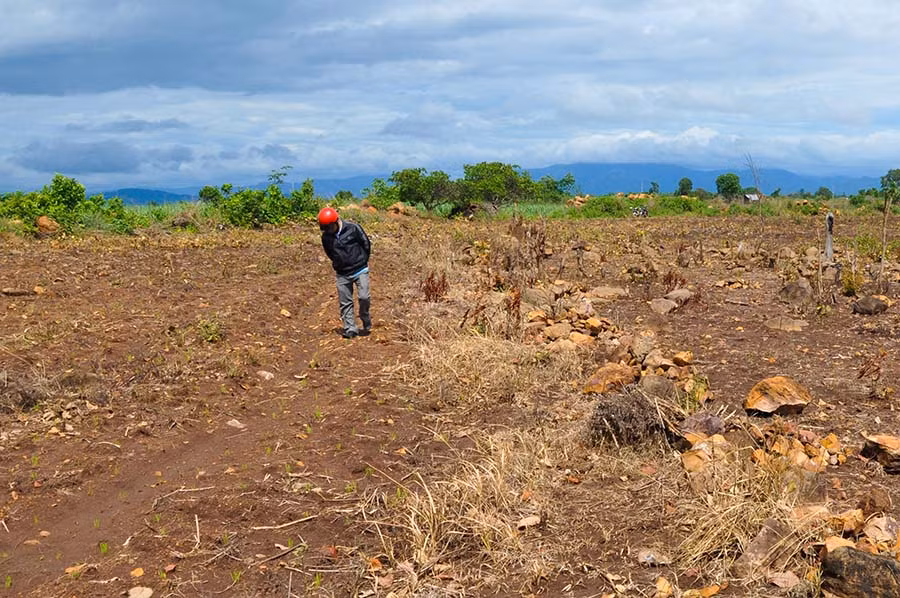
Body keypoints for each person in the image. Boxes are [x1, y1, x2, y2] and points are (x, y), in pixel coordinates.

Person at [318, 207, 372, 338]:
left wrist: (362, 260)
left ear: (336, 222)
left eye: (330, 227)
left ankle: (365, 316)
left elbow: (366, 243)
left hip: (360, 269)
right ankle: (350, 328)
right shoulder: (326, 237)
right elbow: (330, 253)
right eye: (325, 228)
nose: (328, 230)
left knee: (364, 297)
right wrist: (339, 263)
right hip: (342, 273)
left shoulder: (353, 228)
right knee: (345, 302)